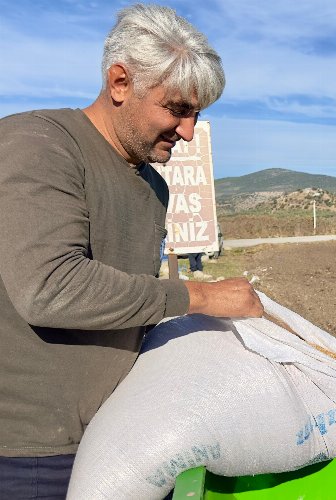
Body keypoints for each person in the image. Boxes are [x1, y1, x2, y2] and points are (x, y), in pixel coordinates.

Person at [0, 4, 263, 498]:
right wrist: (199, 297)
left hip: (118, 437)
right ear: (120, 83)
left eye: (197, 114)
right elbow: (50, 288)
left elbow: (127, 304)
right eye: (177, 109)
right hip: (30, 452)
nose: (188, 131)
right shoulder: (39, 146)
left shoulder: (152, 186)